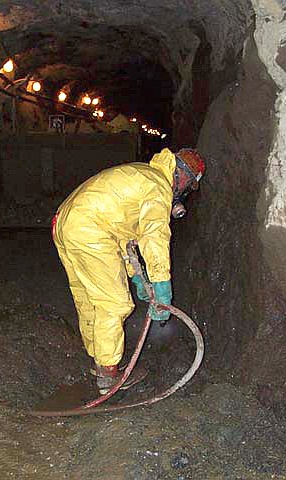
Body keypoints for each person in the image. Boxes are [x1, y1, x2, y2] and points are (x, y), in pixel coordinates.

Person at [52, 148, 205, 394]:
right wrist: (161, 285)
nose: (185, 192)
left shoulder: (143, 174)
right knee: (114, 303)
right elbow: (154, 239)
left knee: (90, 298)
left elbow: (121, 238)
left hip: (67, 222)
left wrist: (137, 278)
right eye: (188, 184)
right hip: (90, 227)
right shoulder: (158, 186)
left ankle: (100, 360)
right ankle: (108, 375)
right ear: (182, 173)